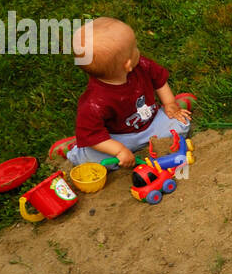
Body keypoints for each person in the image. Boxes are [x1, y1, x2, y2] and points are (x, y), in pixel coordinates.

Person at [52, 17, 193, 167]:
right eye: (134, 48)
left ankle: (174, 106)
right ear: (127, 64)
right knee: (91, 162)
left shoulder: (142, 65)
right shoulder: (94, 102)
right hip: (115, 138)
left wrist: (169, 103)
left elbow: (159, 80)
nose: (137, 50)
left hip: (150, 122)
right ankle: (76, 148)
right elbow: (93, 134)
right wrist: (119, 150)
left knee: (182, 125)